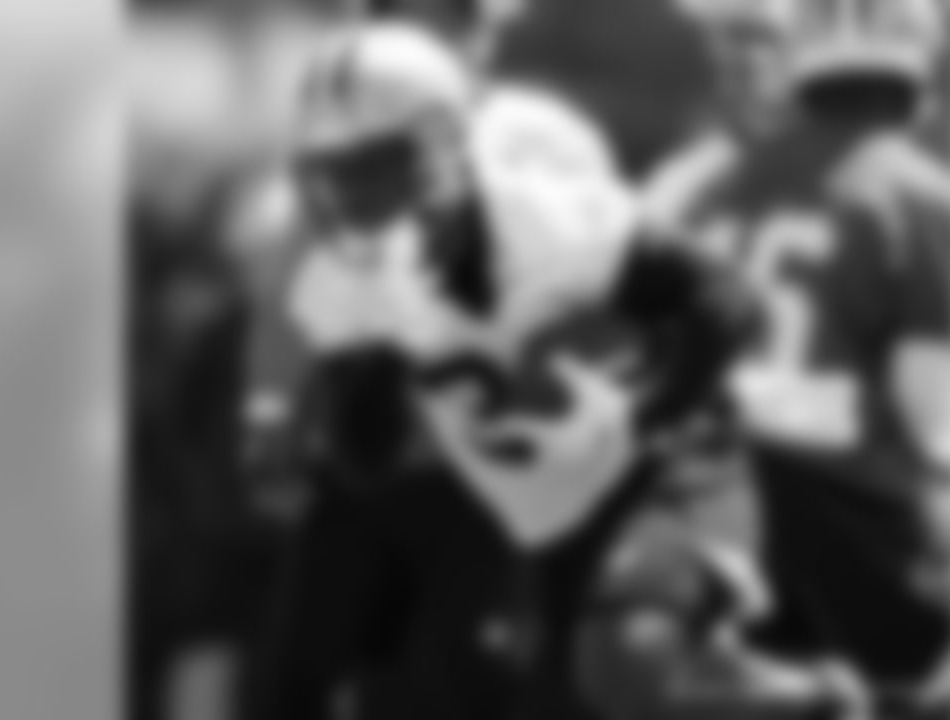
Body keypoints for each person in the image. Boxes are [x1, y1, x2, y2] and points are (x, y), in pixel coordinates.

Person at [233, 20, 753, 720]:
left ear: (450, 140)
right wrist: (374, 370)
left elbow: (725, 301)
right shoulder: (345, 283)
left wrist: (641, 409)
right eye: (341, 175)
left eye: (380, 165)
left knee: (624, 662)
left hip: (652, 469)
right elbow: (368, 456)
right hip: (532, 506)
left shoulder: (547, 215)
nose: (360, 199)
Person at [585, 1, 950, 718]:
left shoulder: (704, 184)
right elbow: (937, 419)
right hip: (843, 512)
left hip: (703, 498)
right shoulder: (920, 195)